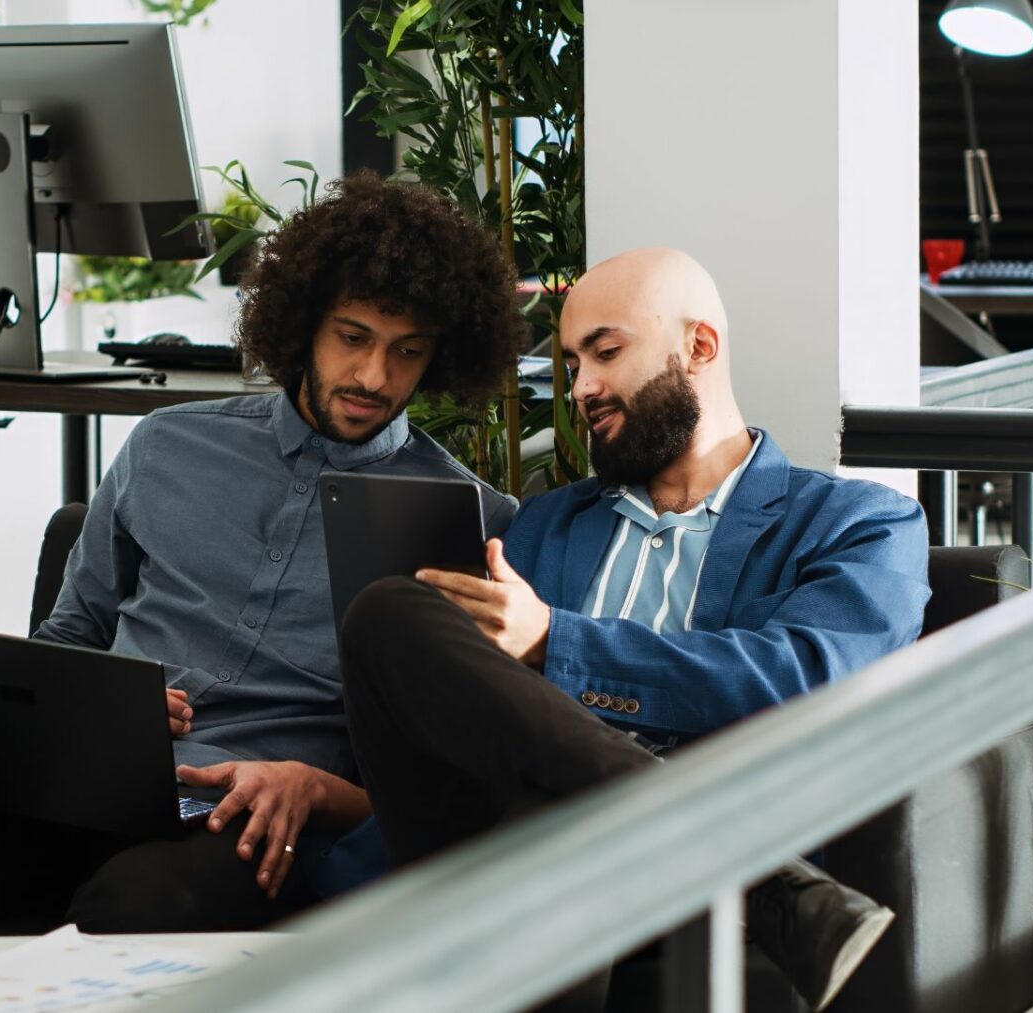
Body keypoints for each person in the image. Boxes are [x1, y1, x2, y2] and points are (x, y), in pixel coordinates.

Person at [0, 172, 521, 1009]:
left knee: (131, 917)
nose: (374, 374)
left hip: (249, 822)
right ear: (305, 320)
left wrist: (319, 788)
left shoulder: (465, 520)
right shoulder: (167, 447)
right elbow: (72, 631)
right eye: (353, 336)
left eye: (407, 350)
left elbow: (444, 768)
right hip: (74, 783)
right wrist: (86, 707)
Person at [337, 247, 932, 1011]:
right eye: (573, 360)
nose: (582, 387)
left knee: (555, 835)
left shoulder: (859, 523)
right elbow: (483, 717)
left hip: (645, 881)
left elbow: (804, 676)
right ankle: (760, 878)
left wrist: (558, 640)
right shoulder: (546, 524)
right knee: (387, 613)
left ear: (699, 346)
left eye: (606, 352)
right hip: (506, 837)